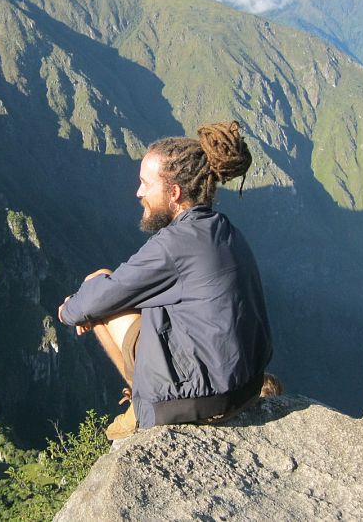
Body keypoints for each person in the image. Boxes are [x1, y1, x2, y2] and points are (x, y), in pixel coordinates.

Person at [58, 121, 274, 440]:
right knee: (109, 295)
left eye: (146, 184)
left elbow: (98, 297)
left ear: (173, 193)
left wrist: (69, 310)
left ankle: (139, 399)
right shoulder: (223, 230)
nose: (139, 192)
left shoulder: (174, 245)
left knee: (98, 286)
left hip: (198, 402)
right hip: (244, 387)